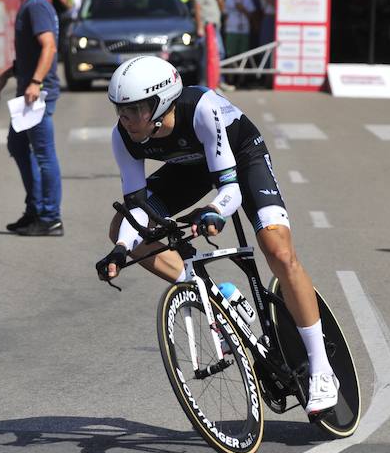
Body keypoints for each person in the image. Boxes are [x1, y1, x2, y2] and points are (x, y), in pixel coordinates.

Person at [95, 56, 339, 414]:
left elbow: (230, 187)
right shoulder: (124, 137)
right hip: (188, 169)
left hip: (240, 157)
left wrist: (215, 210)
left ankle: (321, 369)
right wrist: (119, 249)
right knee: (123, 229)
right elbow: (137, 207)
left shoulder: (202, 109)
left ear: (161, 102)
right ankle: (211, 293)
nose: (125, 118)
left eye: (134, 110)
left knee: (279, 250)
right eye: (120, 110)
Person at [0, 0, 63, 237]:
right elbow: (33, 52)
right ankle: (35, 209)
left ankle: (50, 216)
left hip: (38, 94)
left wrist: (35, 82)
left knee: (44, 154)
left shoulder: (36, 6)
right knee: (18, 145)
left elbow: (49, 47)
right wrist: (7, 75)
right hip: (28, 92)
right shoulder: (30, 6)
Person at [189, 0, 225, 88]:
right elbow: (197, 8)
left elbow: (221, 7)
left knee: (217, 54)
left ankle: (215, 81)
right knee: (207, 56)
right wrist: (199, 27)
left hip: (214, 27)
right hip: (206, 28)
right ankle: (205, 82)